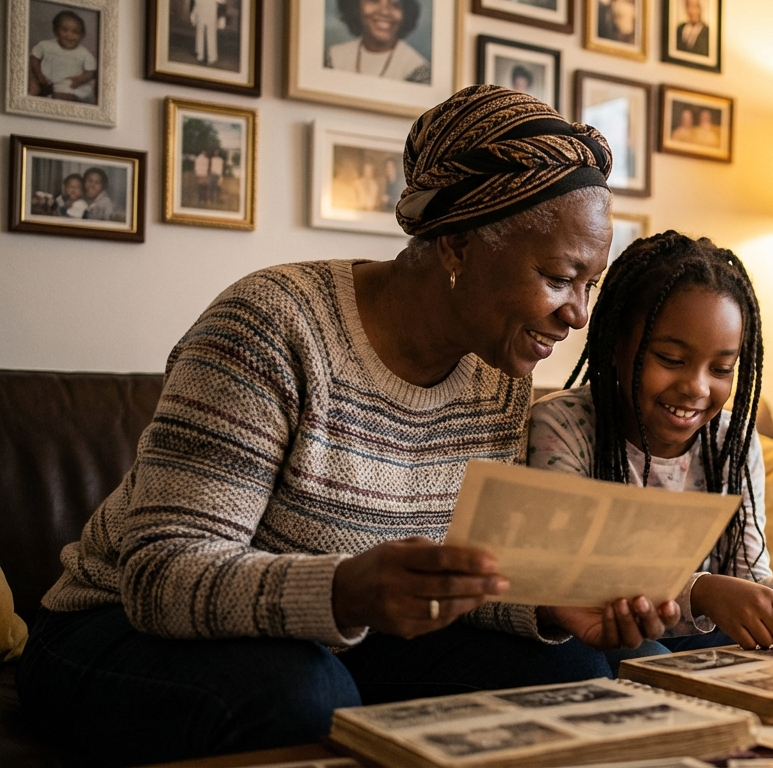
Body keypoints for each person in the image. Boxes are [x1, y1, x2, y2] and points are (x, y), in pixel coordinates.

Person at [16, 85, 676, 767]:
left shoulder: (498, 370)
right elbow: (160, 577)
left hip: (334, 635)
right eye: (560, 277)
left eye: (591, 284)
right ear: (456, 247)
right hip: (113, 629)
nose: (578, 315)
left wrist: (544, 610)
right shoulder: (272, 327)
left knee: (585, 672)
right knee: (302, 695)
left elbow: (452, 579)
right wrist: (344, 590)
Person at [527, 231, 773, 652]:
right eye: (671, 360)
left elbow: (751, 595)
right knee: (645, 649)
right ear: (615, 344)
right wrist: (702, 593)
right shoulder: (563, 427)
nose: (697, 387)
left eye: (721, 368)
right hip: (586, 642)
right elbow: (571, 585)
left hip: (697, 642)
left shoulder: (732, 443)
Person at [325, 0, 430, 84]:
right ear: (355, 6)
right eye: (374, 1)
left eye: (395, 4)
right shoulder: (333, 57)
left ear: (406, 13)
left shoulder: (418, 70)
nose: (384, 12)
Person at [28, 10, 97, 103]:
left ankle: (60, 96)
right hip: (46, 80)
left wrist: (78, 79)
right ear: (56, 31)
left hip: (70, 83)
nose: (69, 35)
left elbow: (90, 72)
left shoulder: (85, 54)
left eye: (75, 32)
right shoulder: (45, 45)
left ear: (81, 35)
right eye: (64, 30)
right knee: (31, 76)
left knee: (83, 89)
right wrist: (40, 77)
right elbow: (34, 59)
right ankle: (45, 93)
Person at [189, 0, 225, 66]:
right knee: (200, 33)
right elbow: (196, 3)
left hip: (211, 11)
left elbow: (222, 2)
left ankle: (211, 57)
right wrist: (193, 14)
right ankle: (200, 54)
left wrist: (221, 17)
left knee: (211, 34)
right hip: (200, 10)